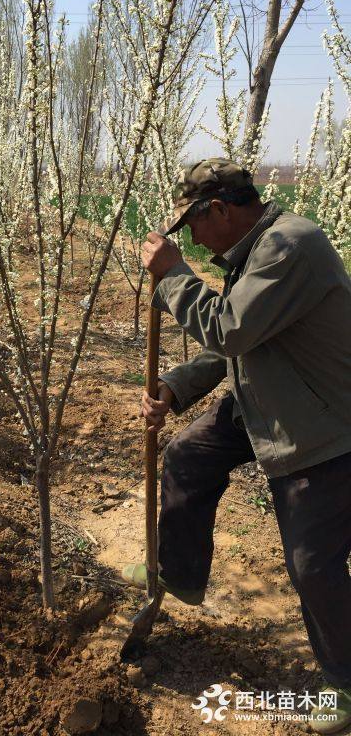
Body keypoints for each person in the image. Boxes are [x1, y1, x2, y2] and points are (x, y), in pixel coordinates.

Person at [121, 158, 351, 734]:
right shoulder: (255, 253)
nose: (192, 239)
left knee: (312, 563)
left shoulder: (289, 246)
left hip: (322, 424)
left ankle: (345, 680)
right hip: (268, 397)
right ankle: (180, 574)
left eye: (193, 224)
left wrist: (174, 275)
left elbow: (230, 329)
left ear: (219, 210)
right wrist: (175, 389)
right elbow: (235, 347)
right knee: (189, 455)